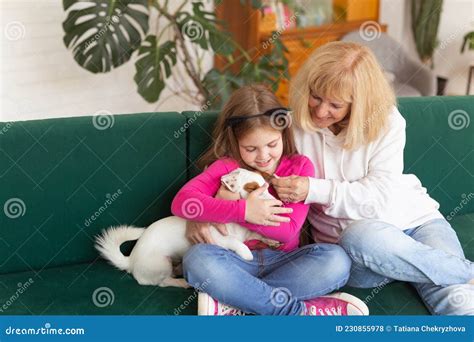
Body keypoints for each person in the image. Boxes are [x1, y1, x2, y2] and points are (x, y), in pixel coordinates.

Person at [272, 41, 474, 315]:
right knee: (361, 234)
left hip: (416, 224)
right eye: (316, 97)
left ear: (359, 104)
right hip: (356, 251)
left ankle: (408, 266)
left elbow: (376, 201)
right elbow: (248, 164)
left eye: (335, 104)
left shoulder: (387, 122)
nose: (320, 111)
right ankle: (459, 271)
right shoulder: (292, 128)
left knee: (459, 302)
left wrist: (312, 189)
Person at [171, 84, 368, 316]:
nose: (263, 156)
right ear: (235, 142)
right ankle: (296, 311)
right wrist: (241, 211)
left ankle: (237, 303)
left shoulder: (299, 167)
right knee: (197, 259)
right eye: (251, 148)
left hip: (285, 261)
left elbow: (287, 231)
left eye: (272, 145)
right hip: (232, 260)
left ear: (284, 134)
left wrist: (247, 214)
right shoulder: (226, 166)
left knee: (336, 260)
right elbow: (181, 203)